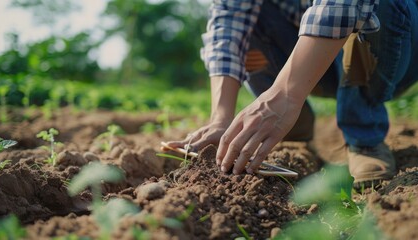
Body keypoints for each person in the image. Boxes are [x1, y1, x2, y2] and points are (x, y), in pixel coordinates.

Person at [167, 0, 418, 188]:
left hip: (396, 46)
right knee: (248, 19)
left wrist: (286, 93)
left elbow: (343, 5)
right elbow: (228, 20)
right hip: (316, 62)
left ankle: (364, 135)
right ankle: (290, 128)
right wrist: (220, 117)